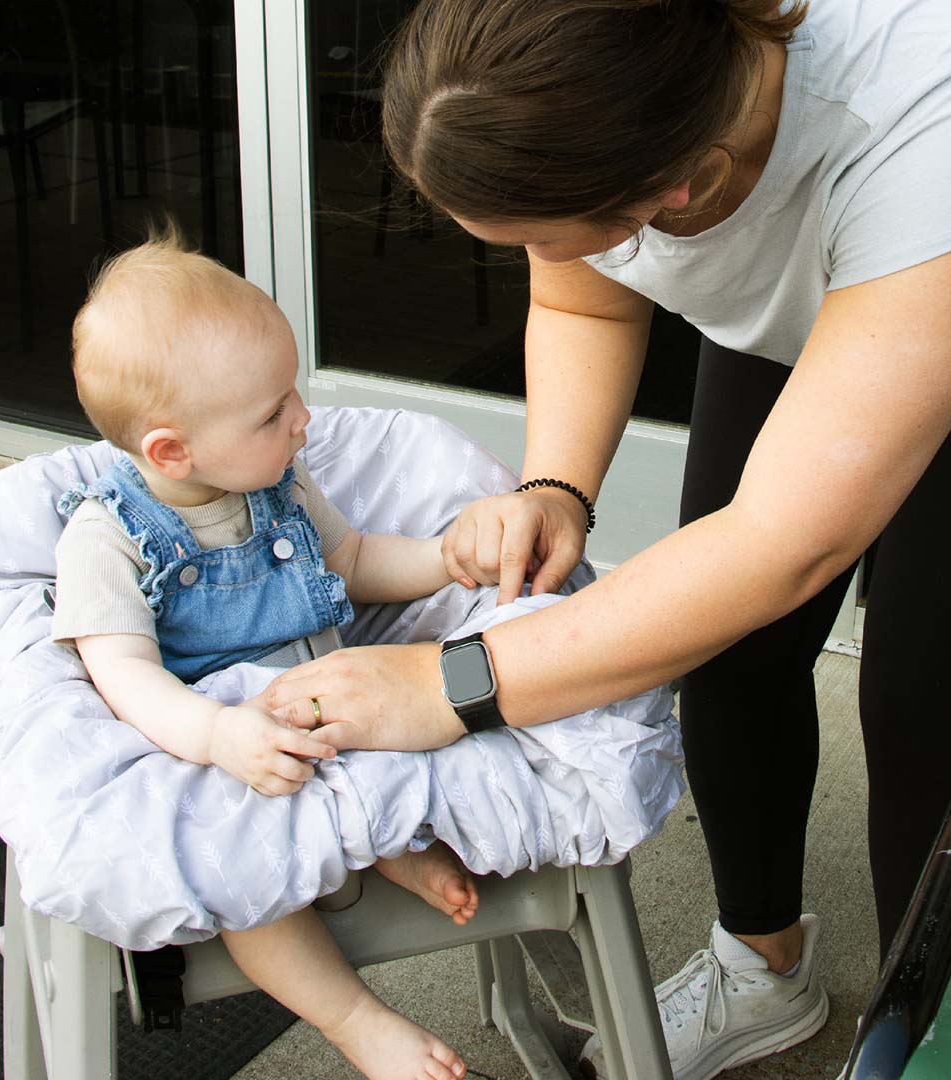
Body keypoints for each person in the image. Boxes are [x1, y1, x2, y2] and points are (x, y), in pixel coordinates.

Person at [262, 1, 951, 1077]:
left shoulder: (913, 118)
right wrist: (555, 486)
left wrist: (450, 683)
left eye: (546, 233)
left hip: (934, 261)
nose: (543, 257)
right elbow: (587, 305)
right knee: (720, 647)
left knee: (923, 700)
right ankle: (764, 969)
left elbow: (784, 543)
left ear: (669, 190)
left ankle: (925, 1033)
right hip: (811, 282)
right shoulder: (598, 81)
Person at [51, 225, 479, 1080]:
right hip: (225, 750)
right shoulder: (108, 538)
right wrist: (217, 737)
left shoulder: (276, 481)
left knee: (410, 733)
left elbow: (351, 562)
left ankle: (387, 845)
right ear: (173, 450)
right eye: (274, 411)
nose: (304, 421)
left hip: (329, 704)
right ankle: (356, 1020)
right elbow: (125, 677)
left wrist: (442, 556)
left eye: (292, 394)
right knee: (242, 885)